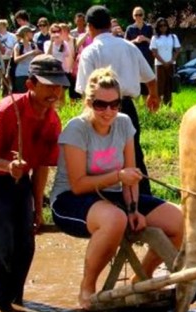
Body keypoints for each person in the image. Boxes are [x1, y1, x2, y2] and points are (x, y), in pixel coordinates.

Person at [51, 67, 183, 309]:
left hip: (114, 196)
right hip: (71, 198)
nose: (108, 111)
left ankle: (141, 278)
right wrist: (118, 176)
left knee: (179, 220)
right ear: (89, 102)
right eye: (101, 105)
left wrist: (133, 208)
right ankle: (87, 287)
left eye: (115, 104)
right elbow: (79, 184)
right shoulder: (76, 129)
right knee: (114, 219)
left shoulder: (124, 124)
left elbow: (130, 176)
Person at [0, 54, 70, 312]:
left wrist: (37, 207)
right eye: (48, 85)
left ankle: (18, 301)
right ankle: (5, 310)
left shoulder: (52, 120)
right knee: (1, 247)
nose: (55, 92)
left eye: (58, 85)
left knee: (25, 246)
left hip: (21, 183)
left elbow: (40, 167)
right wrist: (7, 166)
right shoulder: (8, 109)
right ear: (30, 84)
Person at [76, 5, 160, 196]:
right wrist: (153, 96)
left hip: (100, 108)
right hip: (126, 106)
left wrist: (87, 116)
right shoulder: (129, 46)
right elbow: (151, 78)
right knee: (135, 154)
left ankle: (104, 194)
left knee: (99, 154)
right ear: (109, 23)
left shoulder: (90, 52)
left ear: (89, 27)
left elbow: (86, 92)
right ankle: (143, 197)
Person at [149, 17, 181, 106]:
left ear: (167, 26)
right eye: (160, 26)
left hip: (171, 64)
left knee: (169, 87)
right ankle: (158, 107)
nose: (163, 27)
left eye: (165, 25)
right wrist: (163, 62)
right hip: (159, 65)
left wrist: (172, 60)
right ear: (157, 27)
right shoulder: (155, 38)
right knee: (159, 87)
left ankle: (168, 106)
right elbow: (154, 52)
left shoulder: (173, 37)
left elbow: (178, 49)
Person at [125, 6, 154, 98]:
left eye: (140, 14)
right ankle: (136, 103)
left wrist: (146, 39)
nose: (138, 17)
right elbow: (125, 43)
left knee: (146, 79)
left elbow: (155, 42)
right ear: (133, 16)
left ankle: (146, 103)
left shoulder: (149, 28)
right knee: (135, 80)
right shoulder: (130, 28)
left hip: (147, 57)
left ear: (143, 15)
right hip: (134, 58)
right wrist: (135, 40)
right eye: (136, 15)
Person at [12, 25, 40, 93]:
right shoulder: (18, 46)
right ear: (26, 34)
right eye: (31, 32)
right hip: (21, 74)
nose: (32, 34)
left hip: (32, 74)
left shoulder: (33, 45)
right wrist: (30, 53)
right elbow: (16, 59)